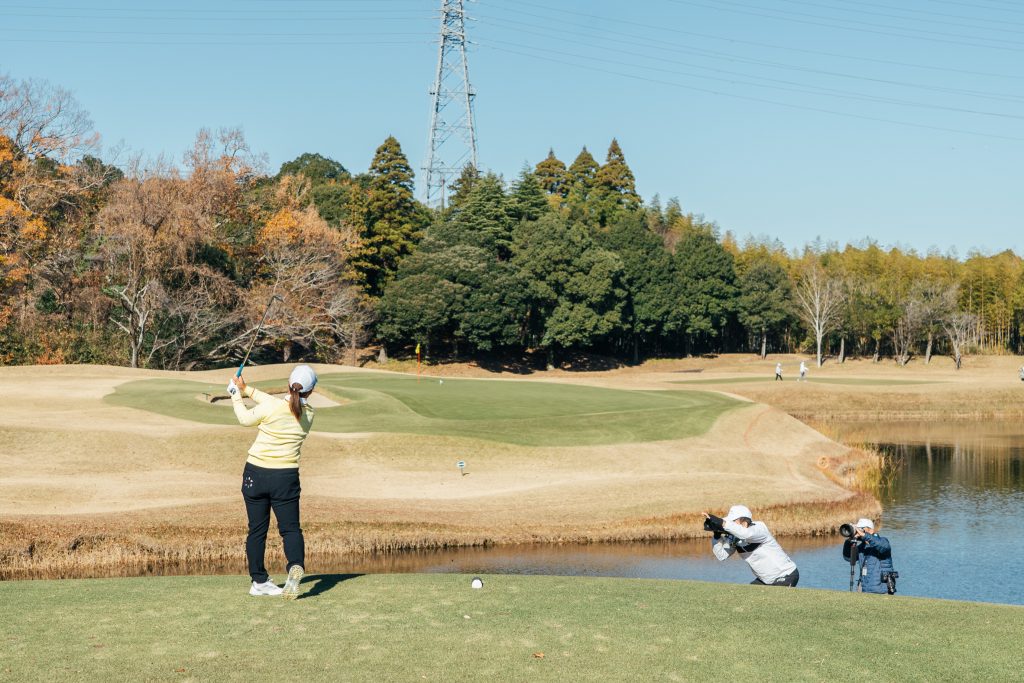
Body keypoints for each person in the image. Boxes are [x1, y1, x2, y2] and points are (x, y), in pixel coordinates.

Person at [231, 364, 317, 598]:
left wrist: (235, 395)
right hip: (285, 478)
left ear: (288, 384)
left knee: (257, 530)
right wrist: (246, 388)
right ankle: (295, 566)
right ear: (310, 391)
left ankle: (259, 581)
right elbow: (276, 403)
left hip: (255, 475)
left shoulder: (271, 406)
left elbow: (244, 419)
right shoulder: (309, 415)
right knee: (290, 529)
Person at [705, 505, 799, 587]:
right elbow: (722, 555)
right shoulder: (734, 537)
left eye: (733, 521)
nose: (731, 524)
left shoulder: (759, 528)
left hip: (786, 574)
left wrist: (722, 523)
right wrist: (716, 535)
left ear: (744, 521)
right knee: (745, 599)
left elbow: (745, 534)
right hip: (765, 580)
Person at [842, 518, 896, 594]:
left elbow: (882, 546)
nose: (859, 531)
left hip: (881, 589)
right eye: (858, 528)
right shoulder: (862, 546)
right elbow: (848, 558)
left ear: (871, 530)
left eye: (861, 528)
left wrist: (864, 535)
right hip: (863, 588)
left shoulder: (883, 541)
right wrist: (849, 541)